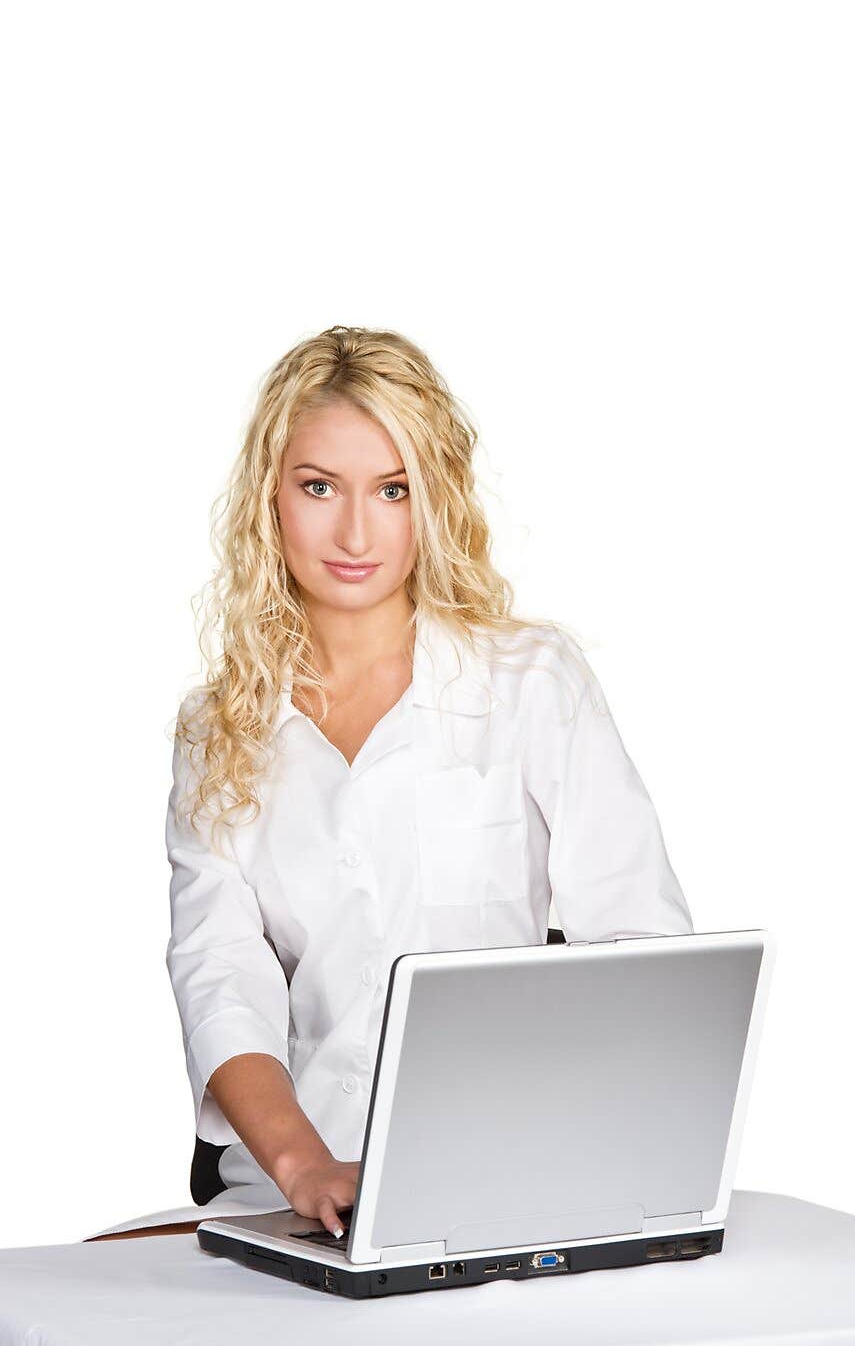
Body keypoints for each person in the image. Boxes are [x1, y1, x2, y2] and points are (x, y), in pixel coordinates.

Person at [159, 324, 692, 1243]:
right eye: (318, 486)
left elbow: (640, 942)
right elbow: (220, 972)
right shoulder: (223, 727)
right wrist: (298, 1162)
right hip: (285, 1190)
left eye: (391, 489)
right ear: (269, 500)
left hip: (506, 1183)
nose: (355, 532)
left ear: (431, 498)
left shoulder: (528, 682)